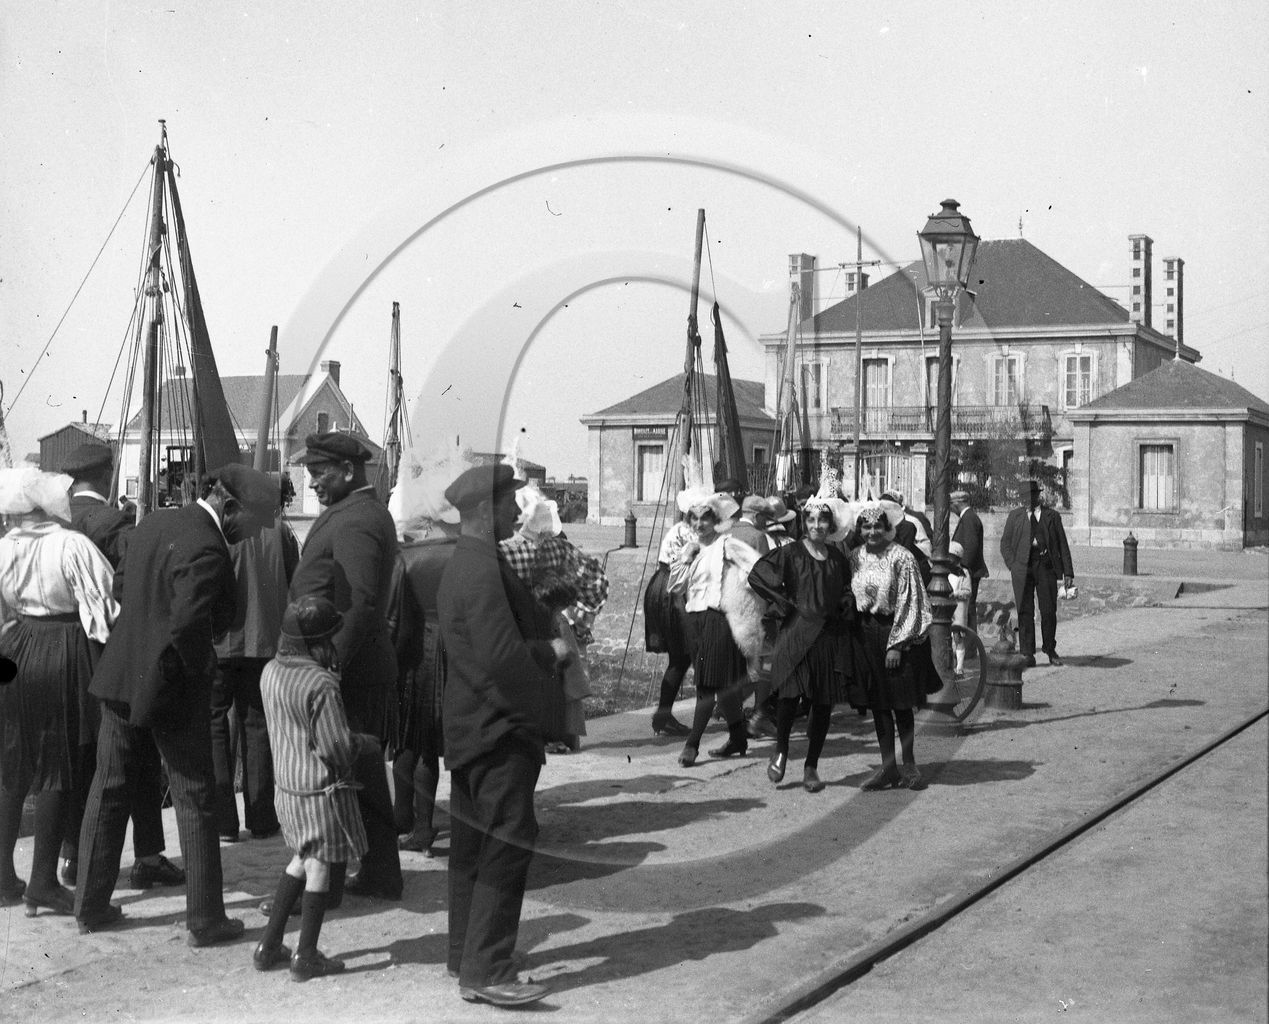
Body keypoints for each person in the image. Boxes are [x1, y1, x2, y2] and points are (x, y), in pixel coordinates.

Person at [74, 462, 277, 943]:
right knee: (196, 796)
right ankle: (205, 919)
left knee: (109, 787)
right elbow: (189, 626)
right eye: (250, 522)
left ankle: (89, 905)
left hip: (121, 676)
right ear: (229, 505)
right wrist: (198, 669)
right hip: (172, 687)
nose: (249, 534)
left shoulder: (156, 521)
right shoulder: (208, 546)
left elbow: (121, 586)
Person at [437, 463, 565, 1007]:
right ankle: (486, 970)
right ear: (484, 512)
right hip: (499, 727)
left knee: (471, 845)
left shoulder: (463, 564)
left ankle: (466, 952)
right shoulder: (483, 570)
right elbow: (501, 657)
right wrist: (549, 652)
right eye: (509, 503)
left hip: (470, 724)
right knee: (508, 839)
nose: (517, 510)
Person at [59, 443, 180, 893]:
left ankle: (72, 854)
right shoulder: (110, 522)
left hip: (56, 649)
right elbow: (142, 576)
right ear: (107, 474)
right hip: (106, 648)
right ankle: (147, 855)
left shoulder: (54, 520)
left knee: (78, 755)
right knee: (138, 750)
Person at [289, 431, 402, 901]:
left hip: (349, 671)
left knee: (340, 776)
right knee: (360, 772)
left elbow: (357, 604)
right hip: (357, 668)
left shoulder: (356, 520)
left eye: (319, 473)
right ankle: (377, 872)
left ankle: (330, 883)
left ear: (349, 471)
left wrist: (328, 668)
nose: (311, 483)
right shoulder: (354, 512)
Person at [0, 468, 118, 917]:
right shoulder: (71, 544)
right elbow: (103, 608)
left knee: (14, 758)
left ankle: (3, 877)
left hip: (17, 645)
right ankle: (44, 880)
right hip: (62, 649)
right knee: (58, 760)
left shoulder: (4, 546)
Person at [254, 595, 367, 982]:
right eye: (327, 639)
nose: (332, 645)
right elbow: (336, 747)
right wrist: (361, 744)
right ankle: (306, 955)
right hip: (319, 793)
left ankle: (268, 946)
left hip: (286, 789)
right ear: (314, 643)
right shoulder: (320, 683)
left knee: (300, 859)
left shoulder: (270, 671)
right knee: (319, 866)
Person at [747, 493, 857, 793]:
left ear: (830, 524)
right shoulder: (791, 553)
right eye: (811, 519)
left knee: (822, 703)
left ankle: (811, 766)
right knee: (788, 698)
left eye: (822, 520)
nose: (817, 525)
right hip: (795, 635)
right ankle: (781, 750)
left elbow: (846, 588)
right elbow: (758, 576)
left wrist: (845, 603)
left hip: (827, 638)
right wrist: (785, 603)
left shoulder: (837, 557)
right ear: (804, 523)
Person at [210, 476, 299, 843]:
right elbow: (296, 580)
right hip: (264, 641)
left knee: (214, 726)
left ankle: (221, 821)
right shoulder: (281, 532)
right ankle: (262, 818)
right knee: (257, 726)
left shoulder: (220, 529)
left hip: (221, 642)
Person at [498, 483, 607, 754]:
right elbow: (597, 583)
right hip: (554, 625)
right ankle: (562, 737)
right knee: (562, 683)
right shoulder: (560, 548)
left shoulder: (504, 550)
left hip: (517, 629)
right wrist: (578, 617)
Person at [849, 501, 939, 792]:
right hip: (867, 634)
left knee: (900, 703)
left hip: (894, 632)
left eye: (878, 525)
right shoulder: (855, 557)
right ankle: (888, 768)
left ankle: (910, 765)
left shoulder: (902, 557)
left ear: (888, 528)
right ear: (860, 529)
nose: (872, 531)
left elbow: (911, 599)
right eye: (866, 526)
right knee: (879, 705)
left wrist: (897, 645)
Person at [667, 487, 758, 768]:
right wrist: (687, 557)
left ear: (715, 519)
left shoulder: (727, 544)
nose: (698, 524)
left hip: (720, 620)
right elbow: (676, 586)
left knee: (707, 685)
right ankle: (738, 738)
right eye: (693, 519)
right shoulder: (690, 548)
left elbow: (756, 567)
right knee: (723, 685)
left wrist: (741, 591)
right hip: (696, 622)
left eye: (704, 518)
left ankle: (691, 745)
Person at [1000, 481, 1075, 667]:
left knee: (1048, 610)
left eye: (1030, 496)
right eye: (1024, 497)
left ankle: (1050, 649)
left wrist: (1068, 572)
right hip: (1022, 569)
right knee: (1025, 611)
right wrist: (1013, 565)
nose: (1027, 500)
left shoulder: (1052, 516)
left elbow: (1062, 545)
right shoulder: (1015, 516)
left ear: (1037, 496)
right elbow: (1005, 544)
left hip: (1046, 567)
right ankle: (1027, 653)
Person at [643, 515, 697, 736]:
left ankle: (663, 715)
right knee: (684, 655)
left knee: (679, 656)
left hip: (660, 585)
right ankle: (663, 716)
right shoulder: (693, 535)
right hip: (675, 590)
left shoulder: (678, 528)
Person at [950, 488, 988, 635]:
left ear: (957, 504)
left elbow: (971, 548)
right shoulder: (968, 517)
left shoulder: (969, 518)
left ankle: (970, 646)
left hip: (968, 572)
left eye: (951, 505)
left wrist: (962, 570)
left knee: (968, 608)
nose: (950, 508)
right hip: (968, 571)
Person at [947, 541, 973, 677]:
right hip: (946, 609)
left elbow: (968, 591)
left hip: (958, 609)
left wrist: (956, 594)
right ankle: (948, 665)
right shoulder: (944, 571)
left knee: (957, 637)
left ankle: (959, 667)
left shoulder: (964, 573)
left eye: (950, 556)